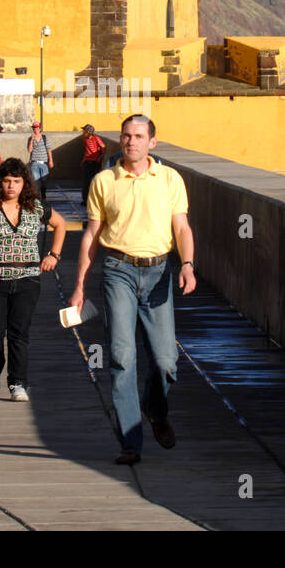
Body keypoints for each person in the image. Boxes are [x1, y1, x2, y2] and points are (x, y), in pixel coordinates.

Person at [68, 114, 196, 465]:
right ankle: (130, 442)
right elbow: (91, 235)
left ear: (152, 142)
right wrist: (79, 285)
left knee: (166, 361)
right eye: (126, 136)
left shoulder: (170, 179)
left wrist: (187, 264)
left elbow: (182, 228)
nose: (131, 142)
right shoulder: (104, 180)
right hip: (118, 270)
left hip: (159, 272)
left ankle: (156, 410)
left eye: (139, 136)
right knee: (123, 358)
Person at [0, 159, 66, 402]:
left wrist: (54, 255)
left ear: (24, 183)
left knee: (19, 334)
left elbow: (60, 224)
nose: (11, 186)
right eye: (6, 181)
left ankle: (18, 382)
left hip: (27, 279)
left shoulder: (36, 208)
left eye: (16, 182)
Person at [24, 121, 53, 201]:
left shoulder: (44, 138)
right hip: (34, 163)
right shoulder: (30, 138)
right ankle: (37, 198)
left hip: (44, 163)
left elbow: (49, 150)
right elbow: (29, 150)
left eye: (37, 128)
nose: (35, 130)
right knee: (36, 181)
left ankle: (43, 195)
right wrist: (32, 140)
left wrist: (51, 161)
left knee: (44, 181)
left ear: (40, 129)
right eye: (34, 128)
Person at [80, 124, 104, 204]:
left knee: (93, 181)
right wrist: (83, 160)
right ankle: (85, 200)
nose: (83, 132)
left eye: (84, 131)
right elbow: (86, 151)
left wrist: (100, 157)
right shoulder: (85, 140)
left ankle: (93, 200)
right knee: (85, 182)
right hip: (87, 163)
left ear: (89, 132)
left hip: (94, 163)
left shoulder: (96, 138)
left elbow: (103, 147)